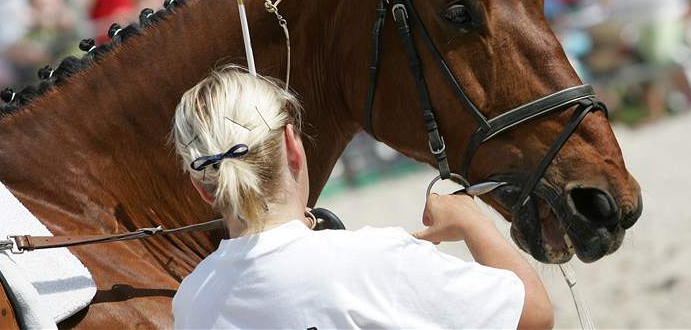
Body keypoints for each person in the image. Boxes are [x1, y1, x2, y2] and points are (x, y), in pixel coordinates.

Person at [171, 66, 553, 329]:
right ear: (292, 145)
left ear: (202, 189)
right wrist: (474, 224)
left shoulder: (191, 302)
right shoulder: (376, 259)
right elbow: (531, 315)